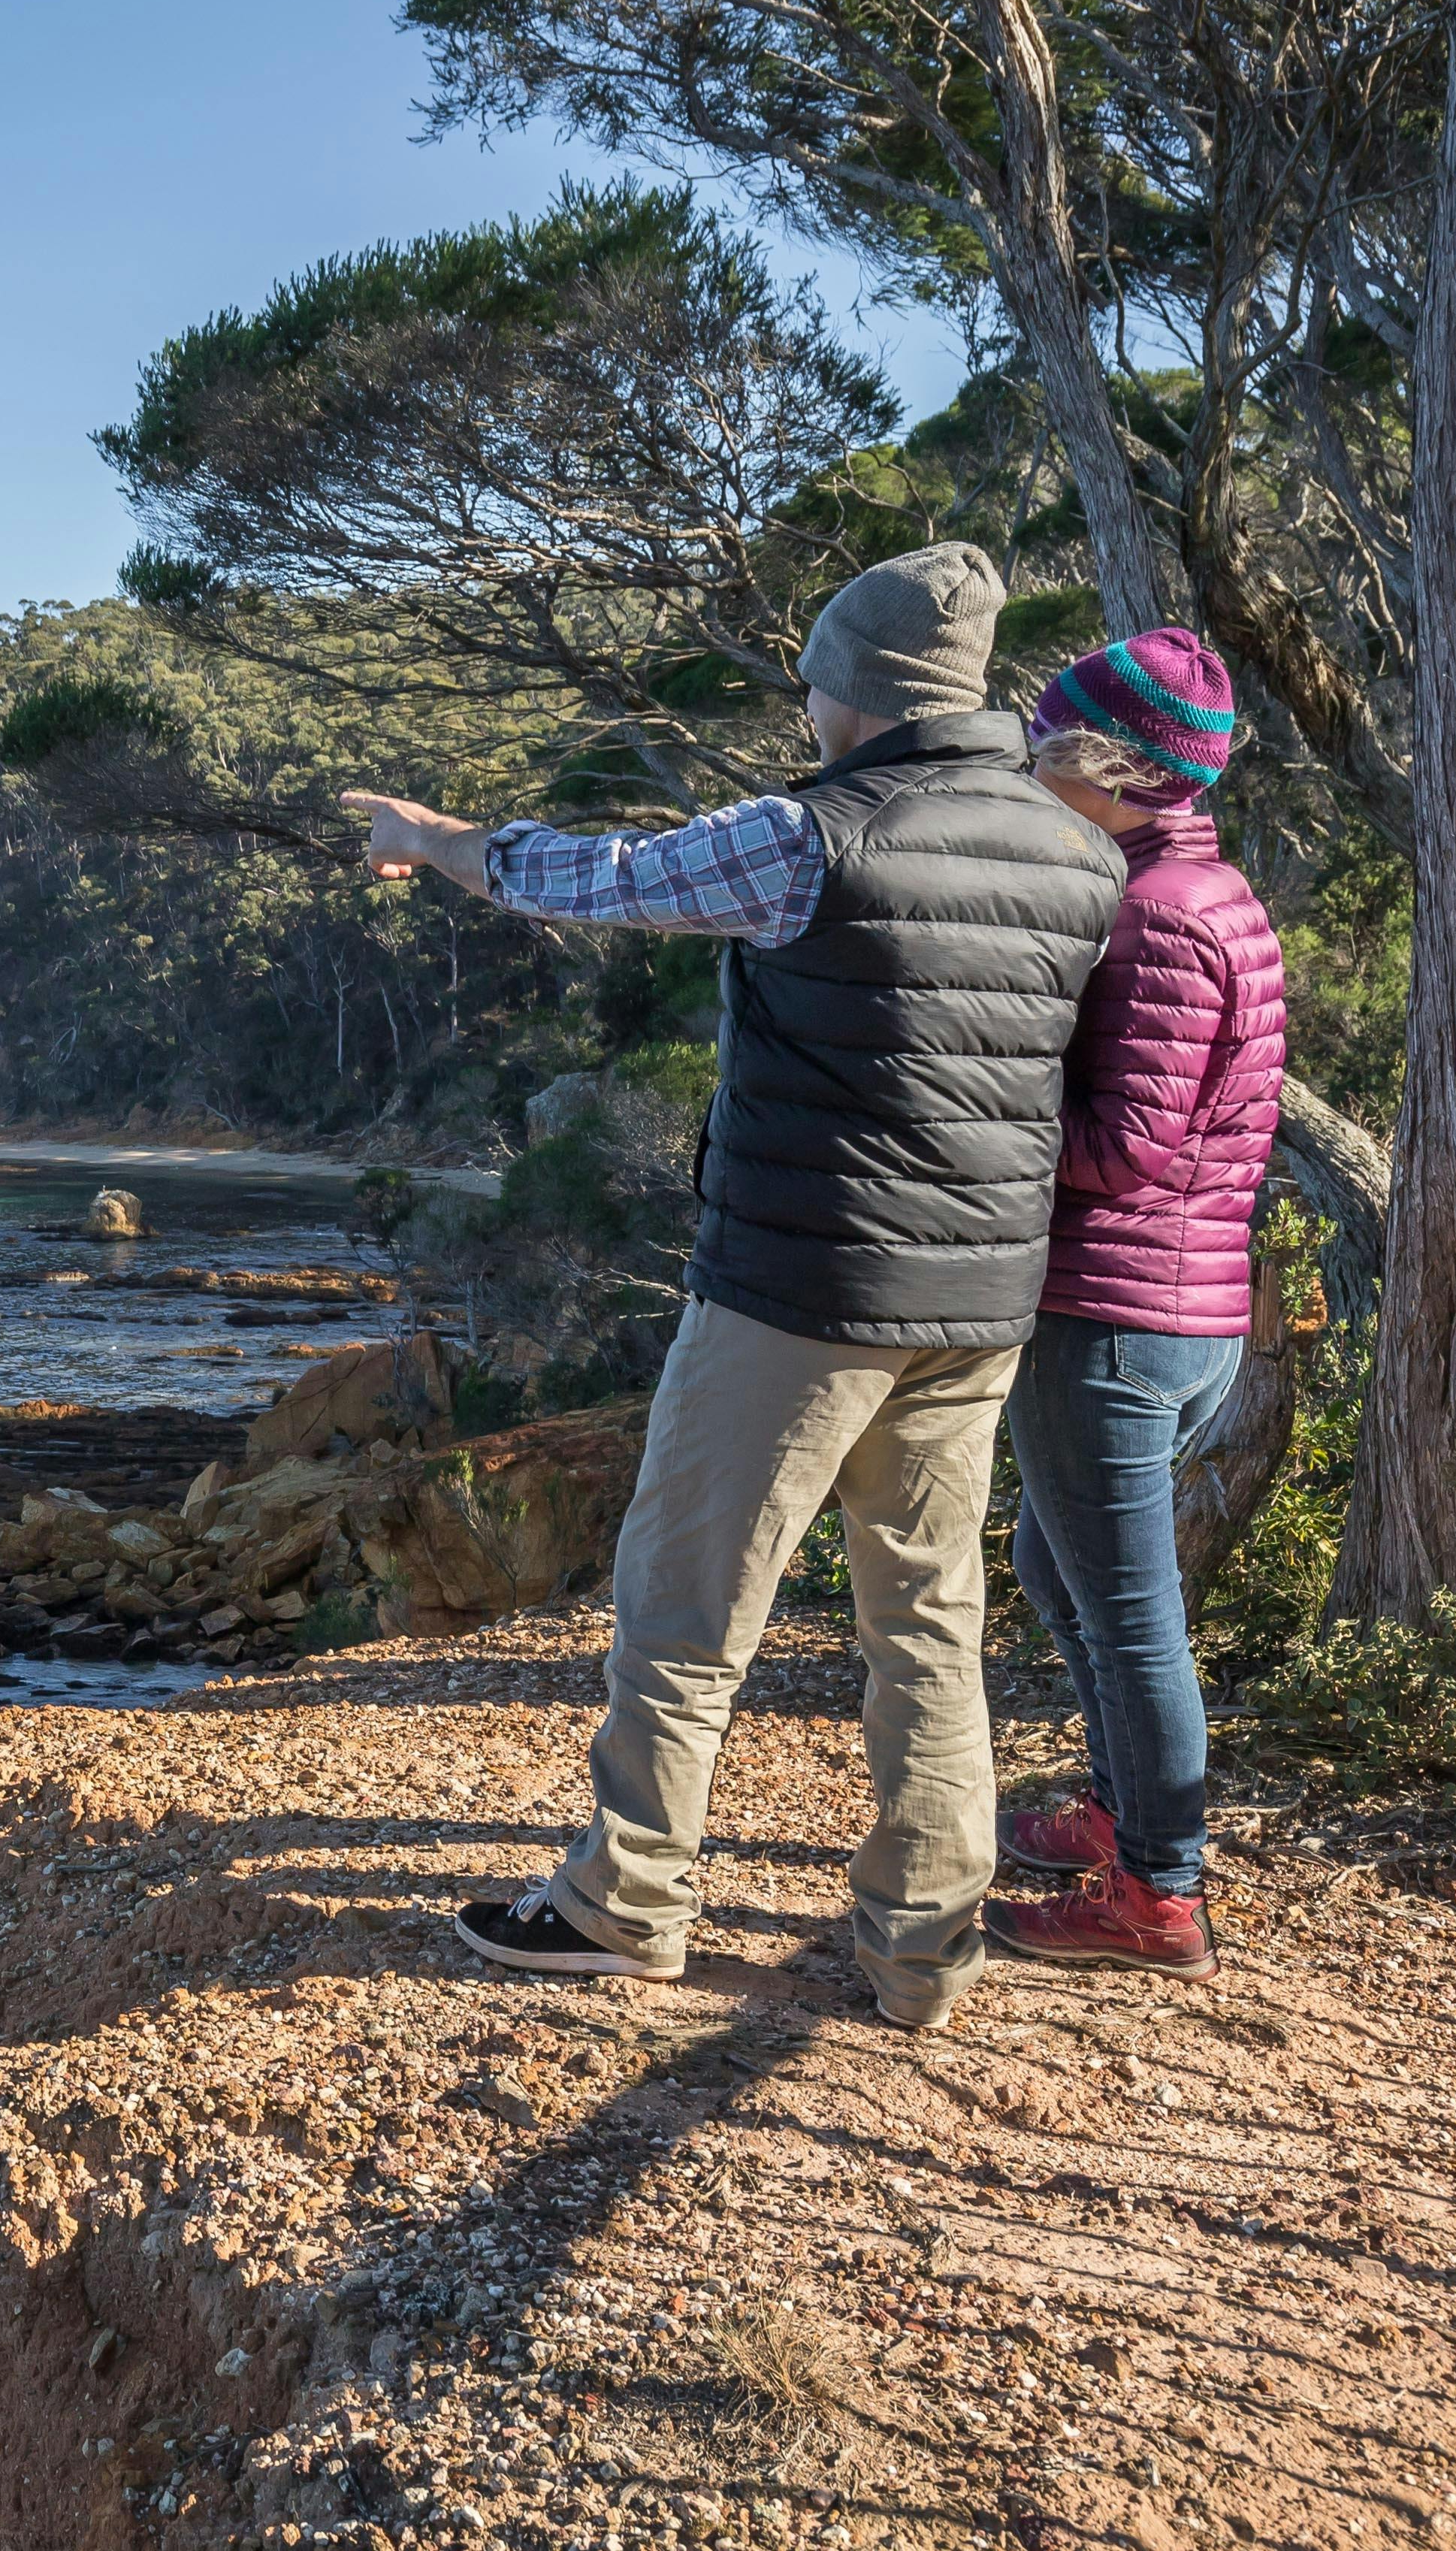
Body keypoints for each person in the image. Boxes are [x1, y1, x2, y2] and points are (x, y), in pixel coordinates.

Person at [342, 540, 1124, 2029]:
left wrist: (439, 838)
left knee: (686, 1605)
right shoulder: (1078, 851)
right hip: (974, 1302)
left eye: (820, 680)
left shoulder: (813, 834)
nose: (809, 707)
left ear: (858, 690)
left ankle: (622, 1903)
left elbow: (608, 882)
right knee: (927, 1617)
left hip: (799, 1286)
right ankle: (924, 1948)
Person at [987, 630, 1289, 1978]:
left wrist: (979, 1107)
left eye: (1050, 754)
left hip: (1118, 1315)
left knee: (1128, 1612)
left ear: (1118, 771)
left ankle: (1159, 1889)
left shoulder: (1157, 916)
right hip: (1185, 1307)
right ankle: (1120, 1817)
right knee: (1062, 1566)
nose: (1032, 773)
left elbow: (1122, 1147)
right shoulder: (1201, 888)